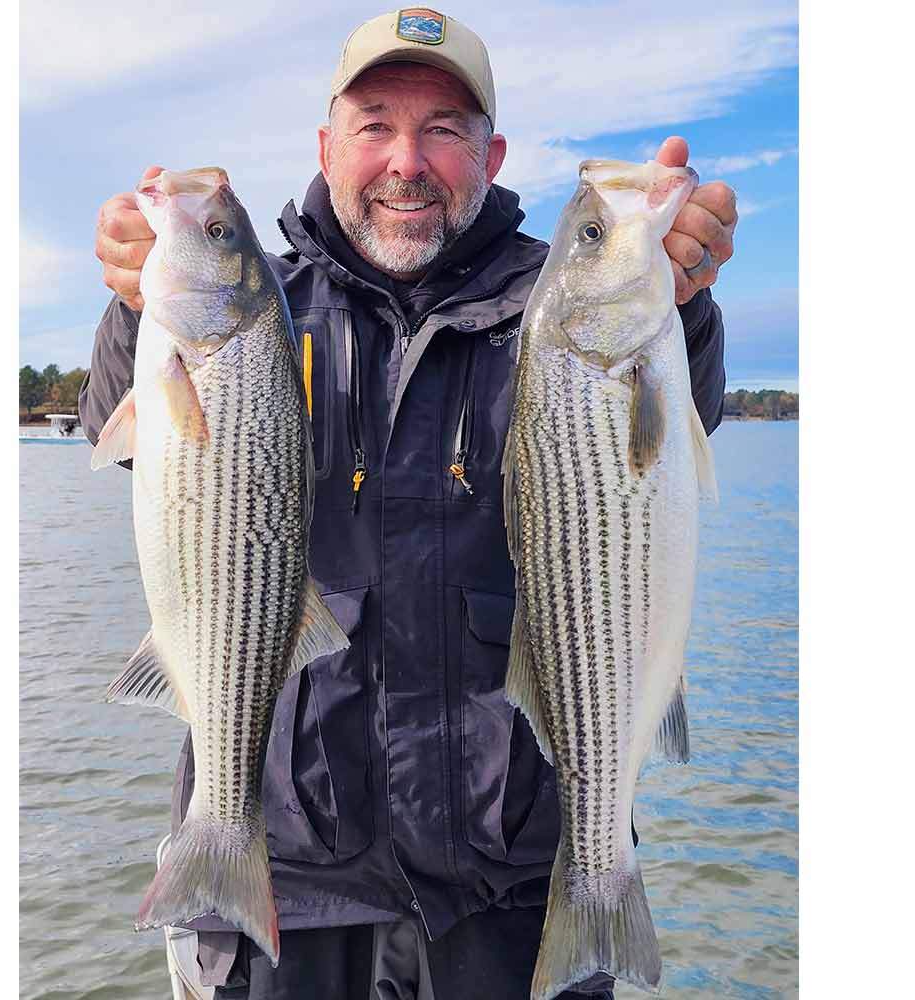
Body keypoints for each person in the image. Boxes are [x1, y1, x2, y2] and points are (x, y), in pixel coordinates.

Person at [80, 9, 735, 999]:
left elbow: (659, 443)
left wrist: (677, 301)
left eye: (442, 130)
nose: (405, 161)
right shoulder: (267, 304)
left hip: (510, 877)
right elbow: (127, 440)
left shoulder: (549, 309)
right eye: (375, 123)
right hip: (290, 877)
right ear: (326, 145)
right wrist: (137, 312)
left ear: (490, 153)